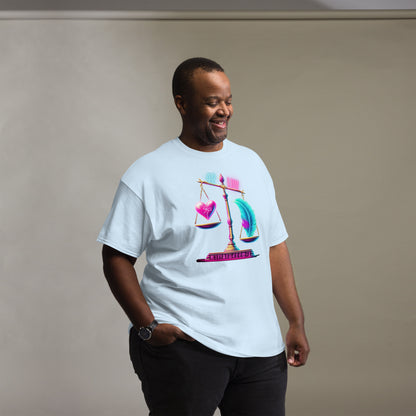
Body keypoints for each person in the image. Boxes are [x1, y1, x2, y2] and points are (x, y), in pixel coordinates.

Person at [98, 57, 309, 416]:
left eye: (227, 100)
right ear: (182, 103)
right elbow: (116, 256)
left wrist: (295, 321)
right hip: (187, 347)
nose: (223, 110)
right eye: (212, 102)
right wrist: (148, 327)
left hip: (260, 349)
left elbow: (274, 246)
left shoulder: (252, 164)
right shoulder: (149, 173)